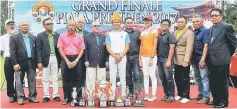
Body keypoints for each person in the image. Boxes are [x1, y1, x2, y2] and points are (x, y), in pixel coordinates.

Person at [207, 8, 236, 108]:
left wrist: (227, 54)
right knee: (213, 81)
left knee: (222, 82)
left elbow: (233, 43)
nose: (214, 17)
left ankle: (224, 102)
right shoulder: (211, 28)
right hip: (211, 60)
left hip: (222, 60)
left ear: (221, 16)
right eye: (212, 15)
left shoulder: (226, 27)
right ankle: (216, 99)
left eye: (216, 15)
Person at [10, 19, 39, 105]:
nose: (25, 26)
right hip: (19, 63)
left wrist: (38, 62)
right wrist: (15, 63)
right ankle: (20, 98)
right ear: (20, 27)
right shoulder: (14, 37)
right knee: (19, 81)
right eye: (23, 25)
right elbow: (12, 52)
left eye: (27, 25)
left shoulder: (34, 37)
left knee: (32, 80)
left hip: (32, 62)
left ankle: (32, 97)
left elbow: (36, 51)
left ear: (29, 27)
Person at [57, 19, 85, 105]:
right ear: (67, 26)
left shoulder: (79, 37)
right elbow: (60, 49)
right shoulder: (62, 36)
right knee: (66, 79)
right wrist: (67, 61)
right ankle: (66, 97)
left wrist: (76, 60)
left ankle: (78, 98)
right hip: (65, 58)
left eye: (73, 25)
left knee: (78, 79)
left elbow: (82, 50)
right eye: (70, 25)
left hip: (77, 58)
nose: (71, 27)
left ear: (75, 27)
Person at [105, 12, 130, 99]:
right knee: (112, 77)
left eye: (117, 22)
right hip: (113, 57)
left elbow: (127, 47)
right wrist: (115, 56)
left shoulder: (125, 34)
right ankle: (112, 94)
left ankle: (123, 94)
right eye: (114, 22)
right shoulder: (109, 34)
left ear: (120, 23)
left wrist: (120, 56)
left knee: (123, 76)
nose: (116, 23)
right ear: (112, 23)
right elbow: (108, 47)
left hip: (122, 57)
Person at [36, 17, 61, 103]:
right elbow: (38, 50)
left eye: (51, 24)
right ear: (44, 25)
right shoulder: (40, 36)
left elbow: (60, 49)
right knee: (45, 78)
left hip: (55, 58)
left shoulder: (57, 35)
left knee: (55, 77)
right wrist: (39, 61)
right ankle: (46, 95)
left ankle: (56, 95)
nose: (50, 25)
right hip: (45, 59)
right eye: (48, 24)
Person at [173, 16, 194, 103]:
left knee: (185, 77)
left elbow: (189, 47)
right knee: (177, 77)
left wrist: (186, 60)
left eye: (182, 22)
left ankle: (186, 96)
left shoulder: (189, 33)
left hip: (184, 58)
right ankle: (180, 93)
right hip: (175, 58)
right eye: (179, 22)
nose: (180, 23)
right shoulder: (175, 32)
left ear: (186, 23)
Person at [84, 21, 109, 92]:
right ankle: (90, 96)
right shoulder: (87, 37)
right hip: (90, 62)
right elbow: (85, 49)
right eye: (95, 26)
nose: (97, 27)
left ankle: (101, 96)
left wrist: (107, 60)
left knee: (101, 80)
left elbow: (106, 50)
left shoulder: (104, 36)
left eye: (98, 26)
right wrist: (86, 60)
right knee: (90, 80)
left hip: (102, 62)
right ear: (92, 27)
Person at [191, 15, 210, 104]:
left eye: (197, 21)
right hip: (194, 59)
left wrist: (203, 60)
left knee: (204, 78)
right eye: (193, 22)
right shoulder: (193, 32)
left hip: (202, 59)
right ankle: (201, 93)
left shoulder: (205, 31)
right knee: (198, 78)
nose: (195, 23)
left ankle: (206, 97)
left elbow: (206, 46)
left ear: (202, 22)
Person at [139, 14, 158, 102]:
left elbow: (155, 45)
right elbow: (141, 46)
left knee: (152, 75)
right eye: (145, 20)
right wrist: (140, 58)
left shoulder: (154, 31)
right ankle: (146, 94)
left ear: (151, 21)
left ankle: (153, 95)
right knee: (145, 75)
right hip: (143, 56)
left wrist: (151, 57)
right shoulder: (143, 32)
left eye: (148, 20)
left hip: (151, 56)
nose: (147, 22)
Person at [157, 19, 176, 102]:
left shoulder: (170, 35)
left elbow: (172, 48)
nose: (164, 25)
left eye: (166, 24)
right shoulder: (159, 35)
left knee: (169, 78)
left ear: (169, 26)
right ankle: (166, 94)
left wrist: (169, 60)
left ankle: (171, 95)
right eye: (162, 24)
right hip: (159, 59)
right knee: (162, 78)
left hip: (166, 59)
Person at [124, 17, 142, 97]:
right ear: (125, 24)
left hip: (135, 57)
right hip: (125, 57)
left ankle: (138, 93)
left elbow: (141, 45)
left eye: (131, 22)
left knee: (137, 75)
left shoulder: (138, 32)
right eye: (127, 23)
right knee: (128, 76)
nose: (129, 24)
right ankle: (130, 92)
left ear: (133, 23)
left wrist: (140, 57)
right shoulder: (123, 33)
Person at [0, 19, 16, 103]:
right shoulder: (2, 38)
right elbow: (2, 50)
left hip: (17, 59)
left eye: (13, 24)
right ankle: (11, 95)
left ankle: (19, 94)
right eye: (9, 24)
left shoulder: (18, 36)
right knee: (9, 78)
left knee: (19, 78)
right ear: (6, 27)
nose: (11, 25)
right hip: (8, 59)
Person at [75, 17, 90, 87]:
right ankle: (75, 93)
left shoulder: (87, 34)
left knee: (84, 75)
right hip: (75, 56)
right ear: (75, 23)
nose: (81, 24)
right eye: (79, 22)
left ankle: (82, 94)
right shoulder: (72, 33)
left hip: (85, 57)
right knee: (76, 75)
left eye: (82, 23)